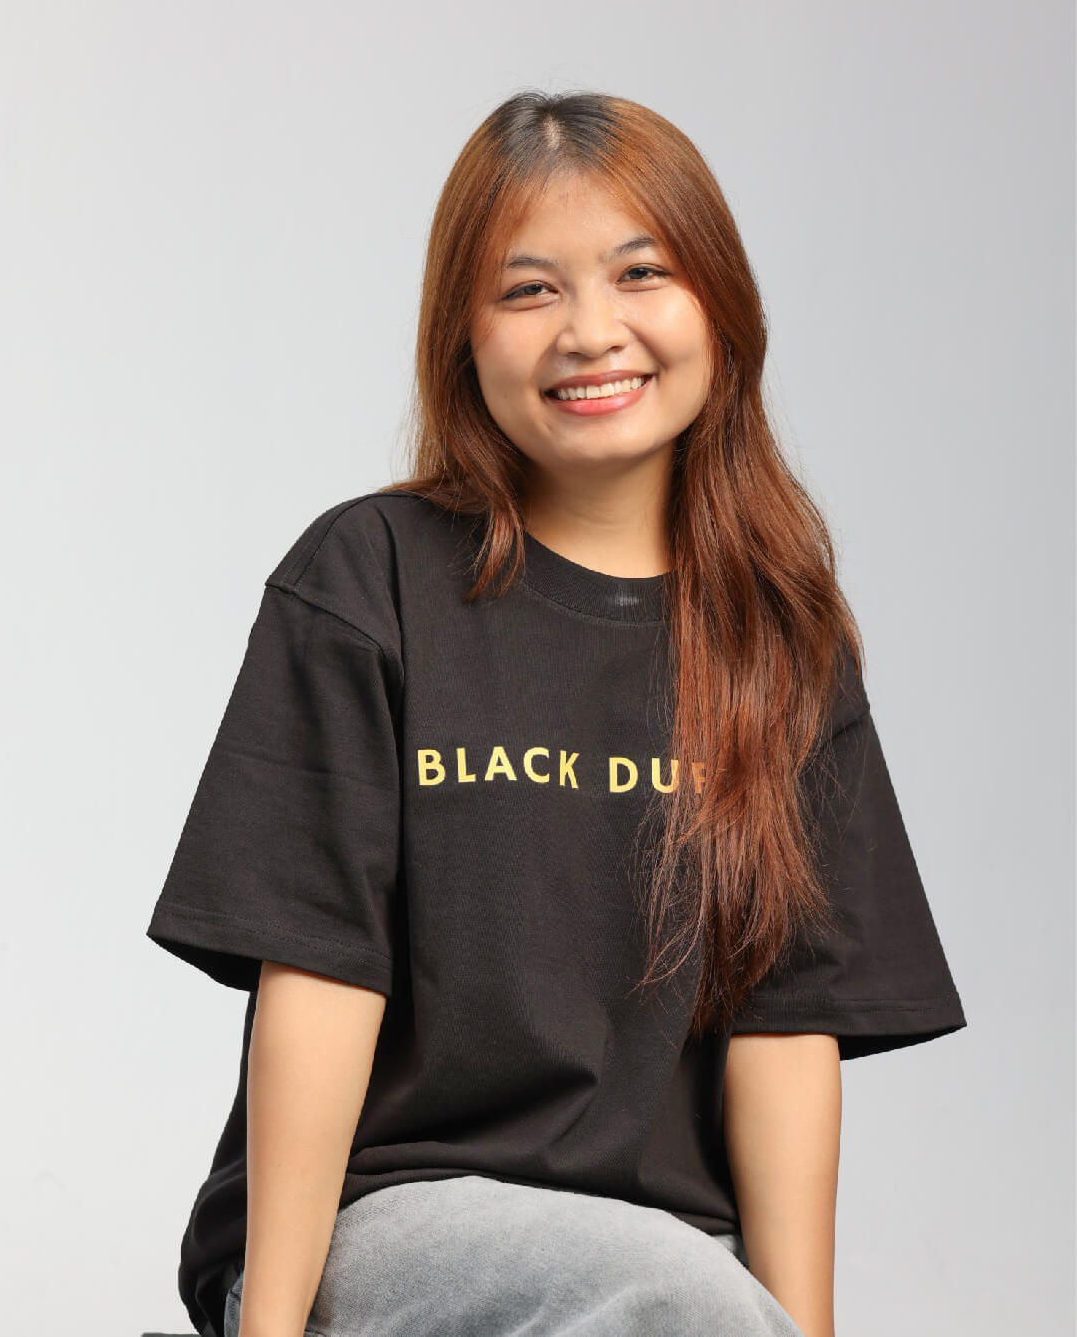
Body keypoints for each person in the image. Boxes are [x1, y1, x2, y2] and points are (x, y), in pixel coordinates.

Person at [145, 89, 967, 1337]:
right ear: (462, 336)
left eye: (642, 273)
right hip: (388, 1220)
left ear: (720, 305)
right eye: (530, 290)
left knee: (676, 1294)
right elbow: (317, 979)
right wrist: (274, 1327)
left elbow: (786, 1038)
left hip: (674, 1266)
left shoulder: (781, 646)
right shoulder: (371, 580)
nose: (592, 331)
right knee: (667, 1297)